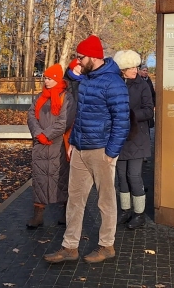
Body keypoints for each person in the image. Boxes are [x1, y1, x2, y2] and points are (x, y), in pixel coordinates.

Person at [44, 35, 130, 264]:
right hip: (80, 147)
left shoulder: (113, 83)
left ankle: (106, 245)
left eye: (81, 57)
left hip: (101, 150)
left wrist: (111, 152)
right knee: (75, 199)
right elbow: (80, 112)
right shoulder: (88, 78)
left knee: (106, 200)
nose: (78, 61)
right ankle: (69, 247)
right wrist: (73, 141)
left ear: (93, 57)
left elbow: (122, 120)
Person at [27, 63, 76, 228]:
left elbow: (65, 121)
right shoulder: (39, 97)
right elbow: (31, 116)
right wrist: (39, 134)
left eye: (50, 78)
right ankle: (38, 215)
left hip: (59, 144)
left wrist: (47, 135)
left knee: (61, 178)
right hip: (40, 144)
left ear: (57, 79)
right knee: (39, 179)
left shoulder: (66, 97)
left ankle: (64, 213)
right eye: (45, 78)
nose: (46, 81)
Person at [113, 50, 153, 229]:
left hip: (137, 136)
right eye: (131, 67)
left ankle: (139, 214)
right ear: (122, 69)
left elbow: (148, 109)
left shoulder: (142, 85)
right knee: (121, 176)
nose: (135, 70)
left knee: (134, 175)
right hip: (119, 137)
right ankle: (125, 210)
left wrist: (129, 115)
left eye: (136, 66)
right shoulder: (115, 84)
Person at [139, 65, 156, 130]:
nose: (146, 72)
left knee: (148, 124)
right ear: (140, 71)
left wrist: (154, 104)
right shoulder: (138, 81)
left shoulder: (149, 80)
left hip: (148, 105)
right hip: (141, 106)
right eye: (144, 70)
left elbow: (152, 93)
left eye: (146, 71)